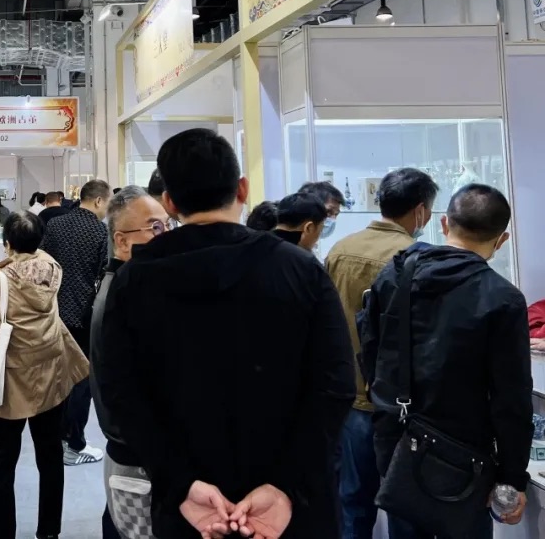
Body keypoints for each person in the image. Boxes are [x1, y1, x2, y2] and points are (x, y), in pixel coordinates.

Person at [97, 129, 355, 539]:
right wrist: (285, 484)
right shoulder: (300, 269)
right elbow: (335, 386)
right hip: (293, 509)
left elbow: (121, 394)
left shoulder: (134, 281)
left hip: (191, 512)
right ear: (243, 189)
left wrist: (180, 481)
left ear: (170, 202)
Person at [362, 184, 532, 538]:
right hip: (465, 458)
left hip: (399, 443)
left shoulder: (395, 275)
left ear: (443, 224)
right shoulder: (502, 298)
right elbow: (511, 399)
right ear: (502, 240)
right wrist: (512, 478)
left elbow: (372, 353)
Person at [325, 167, 438, 539]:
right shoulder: (416, 258)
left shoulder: (340, 250)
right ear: (420, 211)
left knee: (352, 505)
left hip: (349, 399)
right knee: (406, 510)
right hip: (400, 407)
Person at [0, 212, 89, 539]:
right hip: (50, 373)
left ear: (8, 242)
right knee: (50, 455)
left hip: (12, 379)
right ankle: (49, 530)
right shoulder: (52, 269)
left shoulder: (0, 281)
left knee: (2, 460)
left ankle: (2, 533)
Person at [91, 186, 170, 539]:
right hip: (137, 459)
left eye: (167, 225)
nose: (165, 235)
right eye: (154, 228)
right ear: (122, 241)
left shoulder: (130, 286)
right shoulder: (122, 298)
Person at [41, 179, 112, 466]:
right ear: (98, 201)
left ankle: (57, 436)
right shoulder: (100, 231)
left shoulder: (55, 225)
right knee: (82, 379)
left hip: (53, 312)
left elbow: (43, 263)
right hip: (83, 315)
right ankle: (74, 443)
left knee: (57, 376)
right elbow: (105, 274)